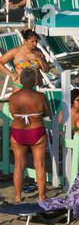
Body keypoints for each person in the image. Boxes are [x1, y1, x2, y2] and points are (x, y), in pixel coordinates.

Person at [9, 69, 50, 202]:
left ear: (21, 80)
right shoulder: (40, 96)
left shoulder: (13, 97)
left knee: (18, 165)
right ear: (34, 81)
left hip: (18, 132)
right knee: (40, 165)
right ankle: (41, 195)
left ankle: (17, 196)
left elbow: (13, 114)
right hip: (36, 131)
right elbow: (47, 113)